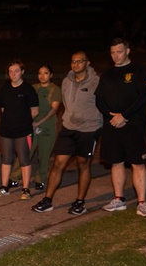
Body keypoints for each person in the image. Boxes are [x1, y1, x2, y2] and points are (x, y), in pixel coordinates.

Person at [32, 52, 102, 215]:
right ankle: (47, 200)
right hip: (68, 128)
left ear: (88, 63)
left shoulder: (97, 82)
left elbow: (104, 104)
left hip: (89, 130)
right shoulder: (66, 81)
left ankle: (79, 202)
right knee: (58, 164)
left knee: (83, 164)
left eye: (80, 61)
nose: (76, 64)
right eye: (73, 61)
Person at [95, 38, 146, 215]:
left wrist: (124, 115)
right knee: (116, 162)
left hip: (134, 125)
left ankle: (142, 203)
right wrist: (111, 116)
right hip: (112, 124)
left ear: (128, 51)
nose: (115, 56)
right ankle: (119, 199)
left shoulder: (140, 71)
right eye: (113, 52)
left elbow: (143, 97)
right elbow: (99, 99)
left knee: (138, 164)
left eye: (119, 52)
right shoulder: (107, 74)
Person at [0, 61, 39, 200]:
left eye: (16, 71)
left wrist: (22, 121)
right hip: (6, 130)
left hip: (23, 131)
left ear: (22, 72)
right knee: (6, 159)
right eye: (11, 71)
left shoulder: (28, 89)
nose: (13, 74)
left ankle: (25, 189)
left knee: (24, 159)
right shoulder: (5, 89)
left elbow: (35, 111)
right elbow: (2, 109)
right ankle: (4, 187)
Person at [29, 64, 61, 191]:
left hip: (47, 124)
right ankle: (14, 177)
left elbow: (54, 110)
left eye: (46, 73)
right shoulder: (33, 88)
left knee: (44, 153)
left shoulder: (55, 90)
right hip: (32, 122)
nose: (42, 76)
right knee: (26, 151)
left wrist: (39, 122)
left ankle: (40, 179)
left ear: (51, 75)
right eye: (40, 73)